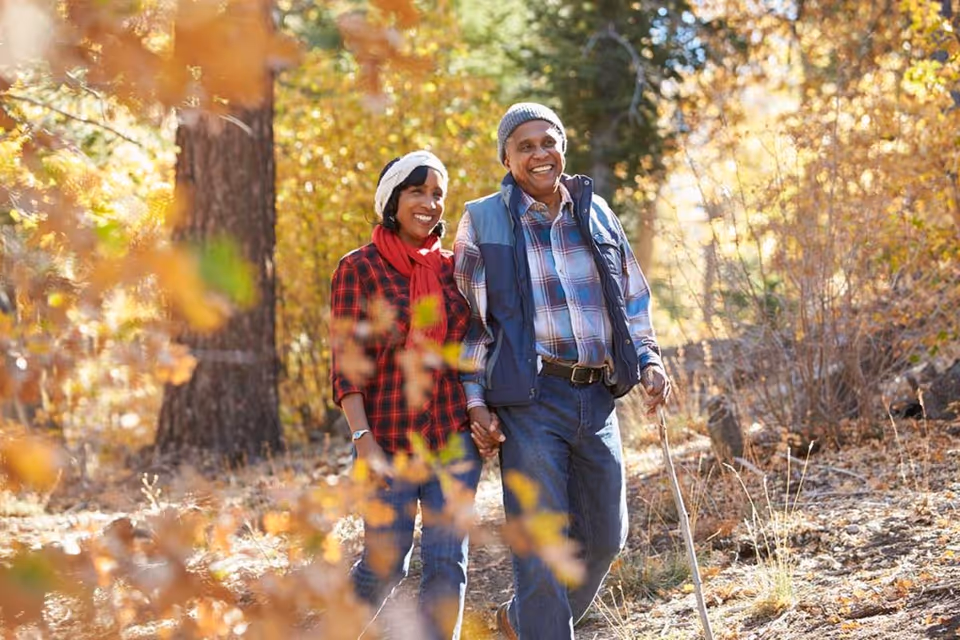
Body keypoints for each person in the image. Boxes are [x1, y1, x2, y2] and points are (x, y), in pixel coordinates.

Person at [453, 103, 671, 639]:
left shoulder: (596, 213)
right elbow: (470, 325)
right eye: (524, 146)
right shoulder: (482, 220)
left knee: (604, 538)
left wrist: (649, 359)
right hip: (528, 398)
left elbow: (632, 300)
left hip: (595, 395)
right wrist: (475, 400)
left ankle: (522, 622)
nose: (539, 154)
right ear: (505, 157)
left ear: (563, 146)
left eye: (547, 142)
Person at [330, 150, 482, 640]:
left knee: (446, 565)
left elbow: (472, 348)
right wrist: (364, 443)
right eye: (418, 191)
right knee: (385, 565)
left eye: (438, 194)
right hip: (389, 441)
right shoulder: (358, 268)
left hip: (451, 438)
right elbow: (348, 367)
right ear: (392, 200)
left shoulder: (454, 269)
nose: (430, 203)